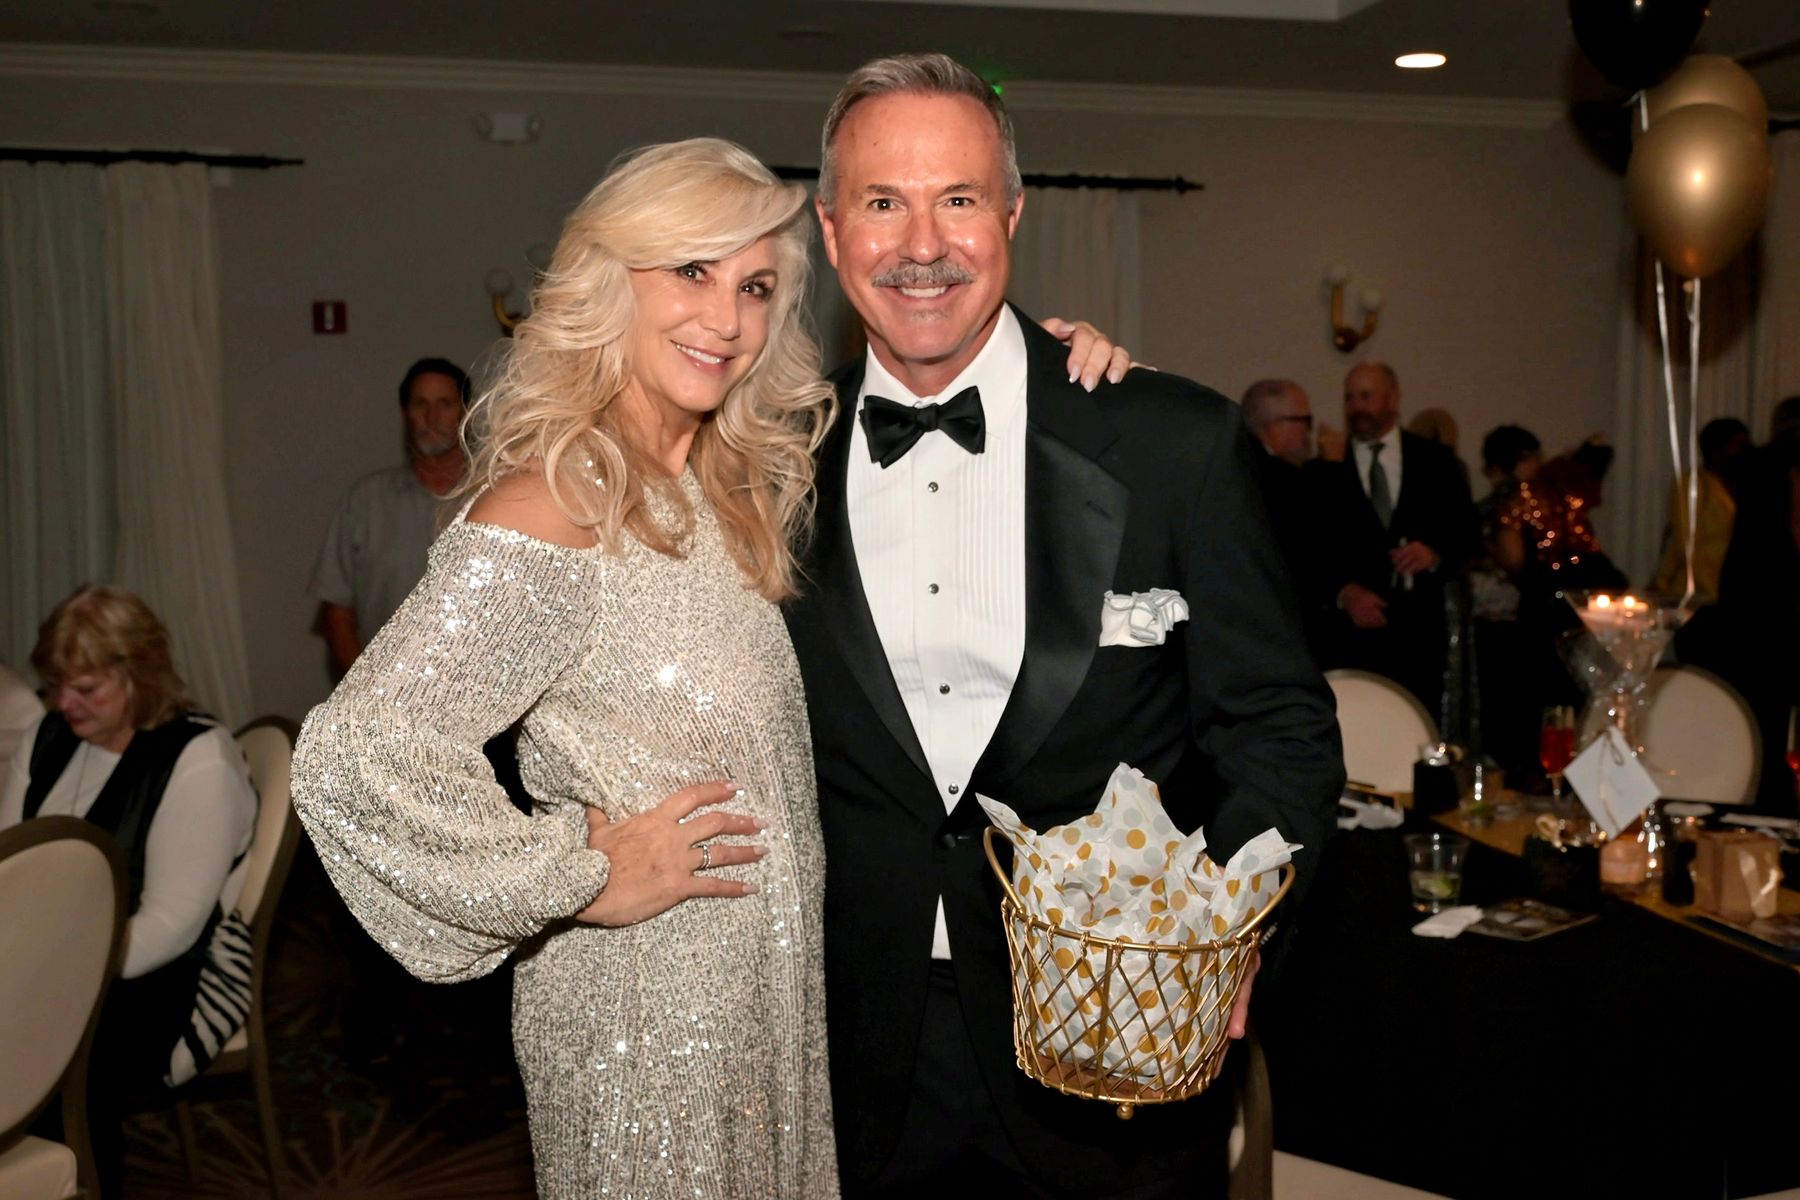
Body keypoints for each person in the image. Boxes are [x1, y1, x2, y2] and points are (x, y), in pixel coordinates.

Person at [289, 137, 1127, 1200]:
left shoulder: (731, 490)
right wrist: (577, 875)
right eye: (691, 271)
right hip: (647, 1014)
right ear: (613, 280)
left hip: (771, 1000)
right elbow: (355, 754)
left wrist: (1047, 368)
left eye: (756, 287)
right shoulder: (560, 502)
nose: (725, 319)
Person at [785, 54, 1343, 1199]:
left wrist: (1232, 933)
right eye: (884, 202)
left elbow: (1278, 726)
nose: (922, 244)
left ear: (1012, 215)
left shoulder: (1171, 441)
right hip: (851, 1051)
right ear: (833, 231)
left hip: (1118, 1039)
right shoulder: (765, 461)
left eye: (958, 198)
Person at [0, 585, 256, 1193]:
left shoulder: (197, 758)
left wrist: (54, 978)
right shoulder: (48, 737)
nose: (64, 704)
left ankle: (80, 1181)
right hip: (52, 956)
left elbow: (171, 926)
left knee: (56, 1046)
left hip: (162, 977)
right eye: (56, 685)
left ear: (139, 675)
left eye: (86, 689)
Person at [1307, 361, 1477, 716]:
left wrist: (1433, 554)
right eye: (1349, 398)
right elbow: (1305, 549)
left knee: (1418, 724)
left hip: (1419, 635)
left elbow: (1468, 532)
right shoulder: (1323, 470)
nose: (1356, 407)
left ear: (1393, 399)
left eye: (1366, 396)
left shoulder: (1435, 460)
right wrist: (1343, 592)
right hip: (1348, 638)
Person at [309, 356, 470, 681]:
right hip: (384, 696)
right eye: (420, 404)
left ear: (466, 413)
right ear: (404, 413)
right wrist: (367, 691)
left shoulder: (496, 497)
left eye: (445, 404)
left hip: (485, 699)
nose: (432, 417)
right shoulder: (366, 500)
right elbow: (337, 615)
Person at [1653, 417, 1751, 603]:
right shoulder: (1693, 485)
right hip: (1697, 594)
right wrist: (1715, 593)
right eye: (1739, 446)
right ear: (1715, 452)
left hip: (1730, 591)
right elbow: (1686, 546)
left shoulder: (1742, 486)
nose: (1745, 453)